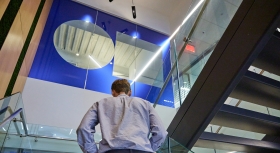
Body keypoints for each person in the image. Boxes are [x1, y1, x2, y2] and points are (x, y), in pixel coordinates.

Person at [76, 79, 167, 153]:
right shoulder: (145, 104)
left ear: (113, 92)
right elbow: (161, 132)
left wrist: (92, 152)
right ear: (130, 92)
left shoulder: (100, 104)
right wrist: (149, 148)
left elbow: (83, 128)